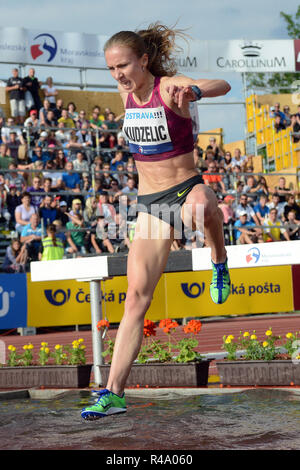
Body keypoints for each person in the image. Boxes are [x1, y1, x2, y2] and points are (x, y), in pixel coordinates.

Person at [81, 23, 231, 421]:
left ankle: (219, 260)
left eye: (124, 66)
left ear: (144, 60)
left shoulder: (169, 87)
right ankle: (113, 393)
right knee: (135, 300)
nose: (118, 75)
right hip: (151, 205)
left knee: (202, 208)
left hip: (186, 189)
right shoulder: (124, 93)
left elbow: (222, 85)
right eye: (111, 69)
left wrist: (196, 91)